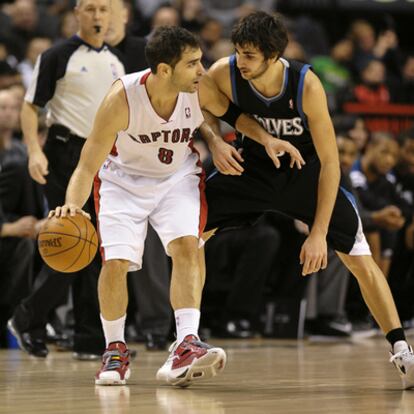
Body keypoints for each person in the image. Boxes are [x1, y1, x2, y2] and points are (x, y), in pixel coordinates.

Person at [51, 25, 303, 386]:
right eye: (193, 63)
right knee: (116, 262)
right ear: (164, 70)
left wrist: (261, 139)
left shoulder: (196, 89)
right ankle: (115, 350)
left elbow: (233, 116)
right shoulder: (122, 99)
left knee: (188, 244)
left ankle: (186, 342)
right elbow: (86, 164)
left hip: (175, 178)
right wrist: (72, 207)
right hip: (123, 182)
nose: (203, 70)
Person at [202, 11, 414, 389]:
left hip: (306, 175)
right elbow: (200, 104)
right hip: (251, 170)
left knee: (360, 257)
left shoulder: (305, 84)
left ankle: (402, 351)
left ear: (272, 55)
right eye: (238, 52)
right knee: (187, 231)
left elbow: (331, 162)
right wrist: (215, 140)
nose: (240, 61)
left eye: (249, 54)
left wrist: (317, 234)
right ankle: (185, 338)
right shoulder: (224, 71)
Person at [8, 0, 125, 359]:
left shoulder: (116, 61)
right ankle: (30, 318)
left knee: (96, 249)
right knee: (77, 244)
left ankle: (85, 339)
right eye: (89, 9)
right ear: (76, 13)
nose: (97, 16)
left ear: (112, 16)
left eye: (103, 10)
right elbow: (30, 107)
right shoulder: (59, 55)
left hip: (104, 158)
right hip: (63, 154)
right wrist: (34, 151)